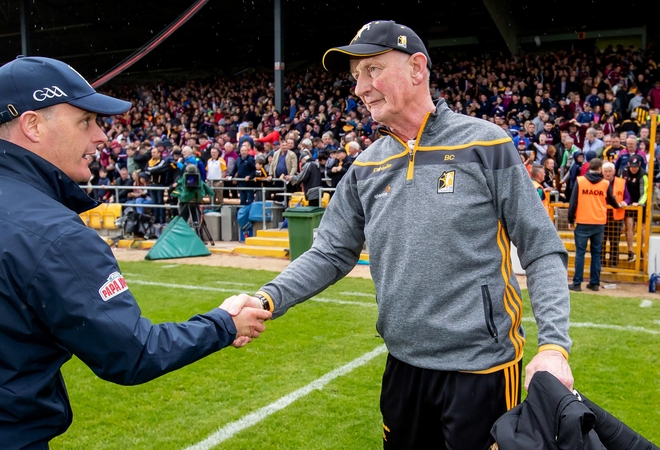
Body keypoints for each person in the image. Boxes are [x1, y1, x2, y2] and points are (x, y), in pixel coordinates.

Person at [0, 56, 270, 449]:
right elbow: (132, 353)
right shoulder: (53, 231)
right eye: (85, 121)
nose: (101, 136)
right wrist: (223, 324)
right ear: (33, 125)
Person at [228, 21, 573, 450]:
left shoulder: (487, 143)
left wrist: (555, 345)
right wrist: (265, 299)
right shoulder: (366, 166)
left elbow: (541, 248)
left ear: (417, 68)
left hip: (481, 371)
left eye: (372, 71)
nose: (360, 88)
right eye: (356, 77)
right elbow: (331, 253)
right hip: (402, 368)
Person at [567, 158, 622, 291]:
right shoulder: (605, 183)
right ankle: (594, 283)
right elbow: (611, 200)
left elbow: (573, 202)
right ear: (599, 169)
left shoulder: (580, 181)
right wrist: (618, 206)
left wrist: (570, 219)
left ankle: (577, 283)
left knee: (580, 253)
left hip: (583, 221)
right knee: (596, 253)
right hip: (598, 222)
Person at [623, 155, 649, 263]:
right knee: (629, 226)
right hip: (628, 204)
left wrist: (639, 203)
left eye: (636, 167)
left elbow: (645, 192)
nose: (634, 169)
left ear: (639, 165)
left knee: (642, 229)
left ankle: (640, 250)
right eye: (632, 166)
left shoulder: (643, 175)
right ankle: (630, 251)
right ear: (629, 165)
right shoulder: (624, 173)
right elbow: (621, 187)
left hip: (640, 204)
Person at [601, 162, 627, 267]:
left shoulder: (622, 182)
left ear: (614, 171)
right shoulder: (598, 183)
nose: (607, 174)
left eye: (609, 171)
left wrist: (625, 202)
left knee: (614, 241)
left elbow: (628, 196)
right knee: (601, 241)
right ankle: (601, 262)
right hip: (601, 215)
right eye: (605, 171)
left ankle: (613, 262)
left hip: (616, 216)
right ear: (602, 172)